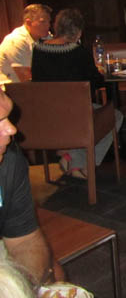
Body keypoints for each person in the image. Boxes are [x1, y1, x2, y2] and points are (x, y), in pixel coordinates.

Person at [30, 8, 122, 179]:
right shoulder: (79, 52)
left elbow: (37, 81)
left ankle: (70, 157)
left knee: (84, 115)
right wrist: (101, 74)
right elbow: (95, 82)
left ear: (57, 27)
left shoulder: (38, 49)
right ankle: (83, 164)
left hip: (46, 116)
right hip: (75, 116)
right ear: (78, 32)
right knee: (115, 116)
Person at [0, 89, 61, 288]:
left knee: (54, 273)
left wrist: (40, 287)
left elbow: (24, 241)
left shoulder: (9, 161)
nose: (11, 130)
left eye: (7, 118)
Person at [0, 4, 52, 84]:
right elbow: (26, 78)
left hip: (26, 88)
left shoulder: (46, 37)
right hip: (9, 89)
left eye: (49, 22)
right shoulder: (17, 40)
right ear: (28, 23)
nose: (48, 25)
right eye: (43, 22)